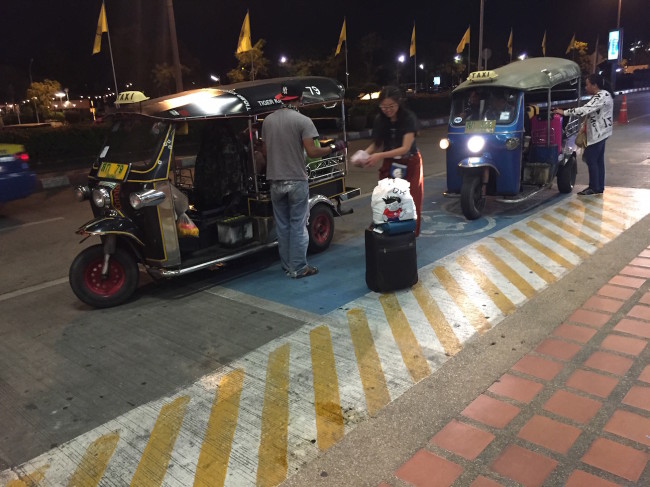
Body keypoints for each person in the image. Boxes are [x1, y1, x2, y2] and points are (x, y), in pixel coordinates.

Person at [261, 81, 344, 278]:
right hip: (296, 180)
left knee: (282, 225)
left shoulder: (268, 121)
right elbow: (313, 151)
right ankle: (298, 268)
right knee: (298, 225)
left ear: (281, 99)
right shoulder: (303, 121)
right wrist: (333, 148)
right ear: (300, 99)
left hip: (275, 181)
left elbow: (265, 151)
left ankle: (287, 265)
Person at [363, 86, 424, 236]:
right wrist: (363, 155)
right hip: (390, 163)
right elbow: (377, 144)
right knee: (385, 197)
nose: (387, 110)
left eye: (391, 106)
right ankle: (387, 230)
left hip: (410, 162)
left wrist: (378, 156)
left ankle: (410, 235)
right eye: (383, 106)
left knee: (411, 200)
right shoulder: (380, 119)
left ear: (399, 103)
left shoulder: (408, 118)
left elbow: (405, 148)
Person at [553, 74, 613, 195]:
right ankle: (599, 187)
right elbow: (592, 113)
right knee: (598, 161)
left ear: (594, 85)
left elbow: (584, 110)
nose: (586, 87)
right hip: (601, 133)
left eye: (587, 84)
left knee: (591, 159)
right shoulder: (603, 95)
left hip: (598, 134)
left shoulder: (602, 96)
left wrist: (564, 112)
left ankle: (594, 187)